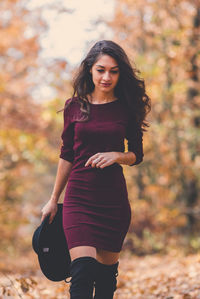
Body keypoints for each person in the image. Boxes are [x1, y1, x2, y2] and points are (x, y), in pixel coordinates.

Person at [41, 40, 151, 299]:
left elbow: (137, 155)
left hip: (113, 201)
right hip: (79, 197)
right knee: (81, 271)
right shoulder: (74, 107)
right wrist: (54, 200)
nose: (106, 76)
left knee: (105, 280)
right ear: (90, 69)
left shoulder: (127, 108)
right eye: (101, 69)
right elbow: (66, 154)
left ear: (120, 74)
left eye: (113, 71)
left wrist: (117, 156)